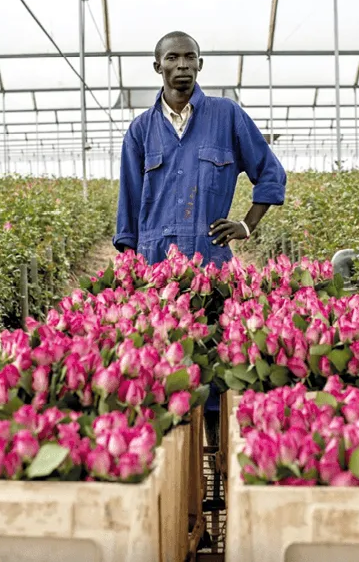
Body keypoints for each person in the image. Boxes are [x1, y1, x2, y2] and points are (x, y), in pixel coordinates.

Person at [112, 30, 287, 465]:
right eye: (173, 58)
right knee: (159, 374)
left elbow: (270, 173)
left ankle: (216, 467)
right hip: (155, 270)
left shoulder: (226, 116)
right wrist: (131, 280)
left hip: (211, 267)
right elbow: (129, 211)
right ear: (159, 67)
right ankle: (171, 470)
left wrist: (247, 225)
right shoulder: (140, 131)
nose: (183, 65)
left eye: (191, 57)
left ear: (200, 65)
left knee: (213, 372)